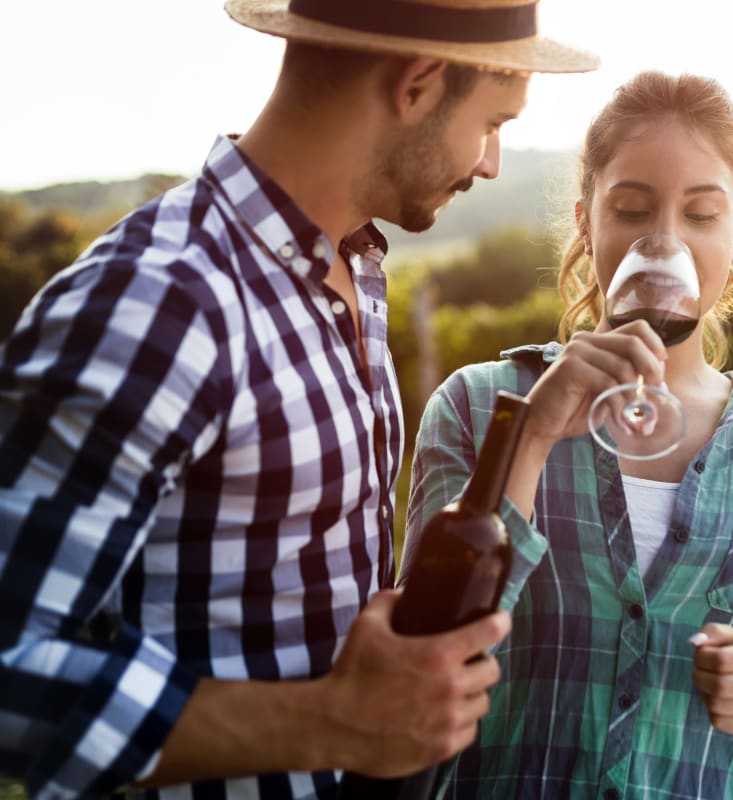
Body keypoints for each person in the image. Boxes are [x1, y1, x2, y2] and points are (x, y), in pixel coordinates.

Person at [0, 2, 598, 798]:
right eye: (493, 122)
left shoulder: (353, 270)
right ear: (418, 84)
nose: (492, 162)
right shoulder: (163, 303)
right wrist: (331, 721)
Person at [402, 71, 733, 798]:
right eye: (632, 208)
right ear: (585, 218)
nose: (664, 244)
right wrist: (537, 433)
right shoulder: (478, 407)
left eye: (702, 214)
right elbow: (418, 661)